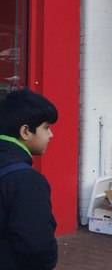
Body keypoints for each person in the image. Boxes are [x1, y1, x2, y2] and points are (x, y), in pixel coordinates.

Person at [0, 89, 58, 270]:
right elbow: (36, 245)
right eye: (46, 127)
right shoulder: (27, 181)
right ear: (25, 131)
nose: (51, 135)